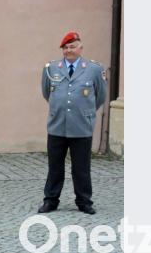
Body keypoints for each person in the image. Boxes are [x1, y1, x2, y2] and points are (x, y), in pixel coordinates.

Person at [38, 31, 107, 215]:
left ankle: (84, 202)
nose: (69, 50)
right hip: (57, 125)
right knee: (55, 167)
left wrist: (85, 112)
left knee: (81, 168)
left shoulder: (93, 69)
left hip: (81, 126)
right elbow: (47, 92)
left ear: (80, 48)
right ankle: (50, 201)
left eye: (72, 46)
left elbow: (100, 96)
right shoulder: (51, 68)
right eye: (66, 47)